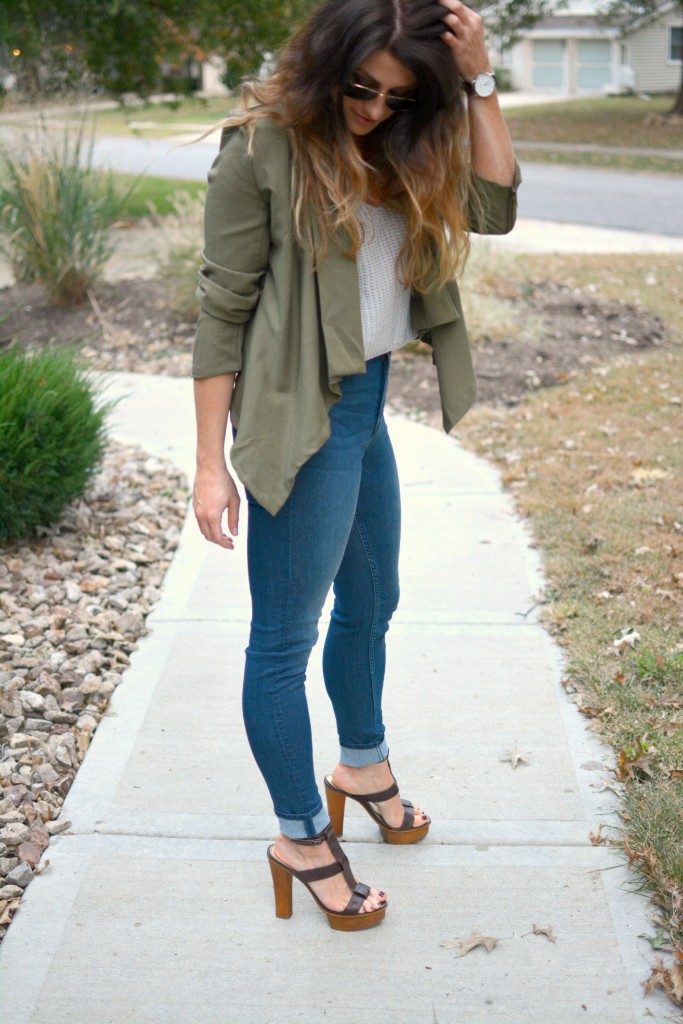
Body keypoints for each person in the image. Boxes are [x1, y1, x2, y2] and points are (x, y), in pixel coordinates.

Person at [191, 0, 519, 931]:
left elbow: (492, 205)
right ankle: (299, 836)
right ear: (324, 66)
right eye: (359, 88)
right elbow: (221, 308)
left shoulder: (400, 148)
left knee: (374, 603)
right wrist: (209, 465)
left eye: (396, 95)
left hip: (367, 401)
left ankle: (360, 764)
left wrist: (481, 76)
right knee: (281, 642)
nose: (372, 109)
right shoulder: (260, 147)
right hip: (302, 416)